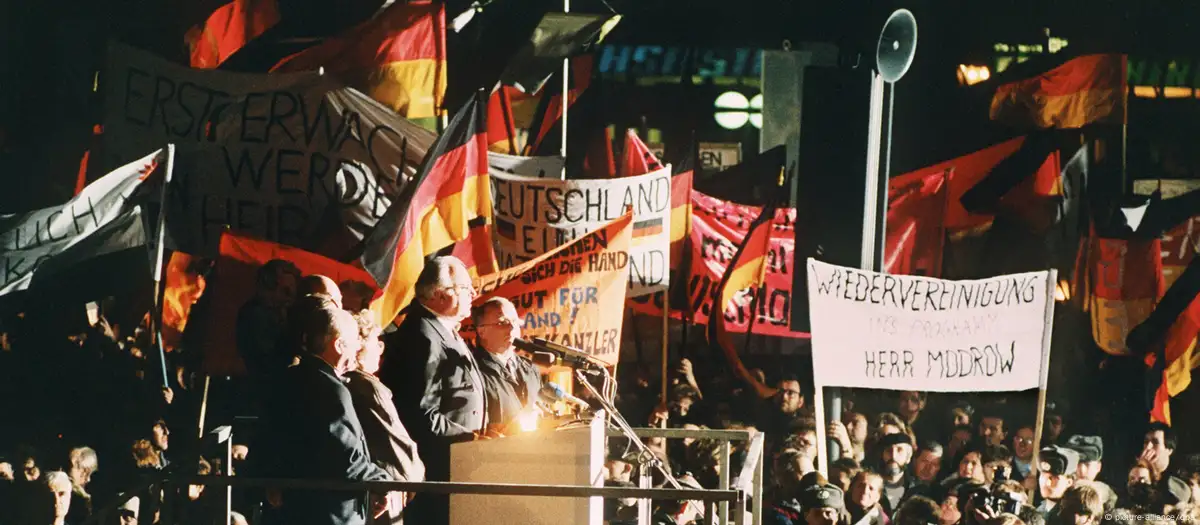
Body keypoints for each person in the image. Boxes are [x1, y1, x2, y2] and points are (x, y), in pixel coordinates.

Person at [252, 297, 395, 525]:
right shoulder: (331, 390)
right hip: (329, 514)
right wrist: (383, 481)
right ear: (339, 346)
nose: (357, 349)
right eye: (353, 343)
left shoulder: (288, 379)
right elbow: (346, 461)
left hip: (291, 510)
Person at [381, 256, 487, 525]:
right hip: (438, 469)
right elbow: (420, 413)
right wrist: (471, 438)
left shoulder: (443, 329)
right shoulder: (422, 336)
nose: (473, 294)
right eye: (466, 288)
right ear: (440, 295)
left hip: (457, 464)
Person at [344, 310, 426, 525]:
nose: (381, 348)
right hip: (383, 490)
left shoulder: (344, 383)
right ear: (359, 346)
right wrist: (415, 476)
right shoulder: (368, 388)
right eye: (376, 342)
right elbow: (395, 443)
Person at [469, 297, 545, 433]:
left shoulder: (530, 368)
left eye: (515, 321)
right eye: (502, 323)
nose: (512, 327)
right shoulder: (472, 370)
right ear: (481, 331)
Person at [236, 259, 300, 377]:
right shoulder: (255, 316)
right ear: (268, 287)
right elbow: (267, 362)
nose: (290, 299)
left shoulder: (280, 314)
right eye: (286, 291)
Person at [1035, 446, 1080, 519]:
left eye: (1053, 478)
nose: (1047, 483)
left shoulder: (1073, 516)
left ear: (1069, 482)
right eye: (1043, 476)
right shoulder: (1039, 509)